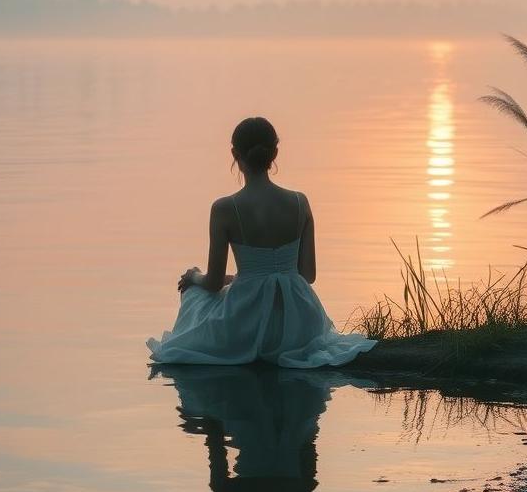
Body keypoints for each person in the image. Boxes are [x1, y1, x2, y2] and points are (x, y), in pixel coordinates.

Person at [146, 117, 377, 367]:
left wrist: (194, 276)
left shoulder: (224, 208)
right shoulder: (300, 202)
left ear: (234, 154)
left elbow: (212, 284)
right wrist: (236, 278)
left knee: (194, 292)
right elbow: (307, 275)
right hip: (299, 323)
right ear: (275, 153)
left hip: (246, 321)